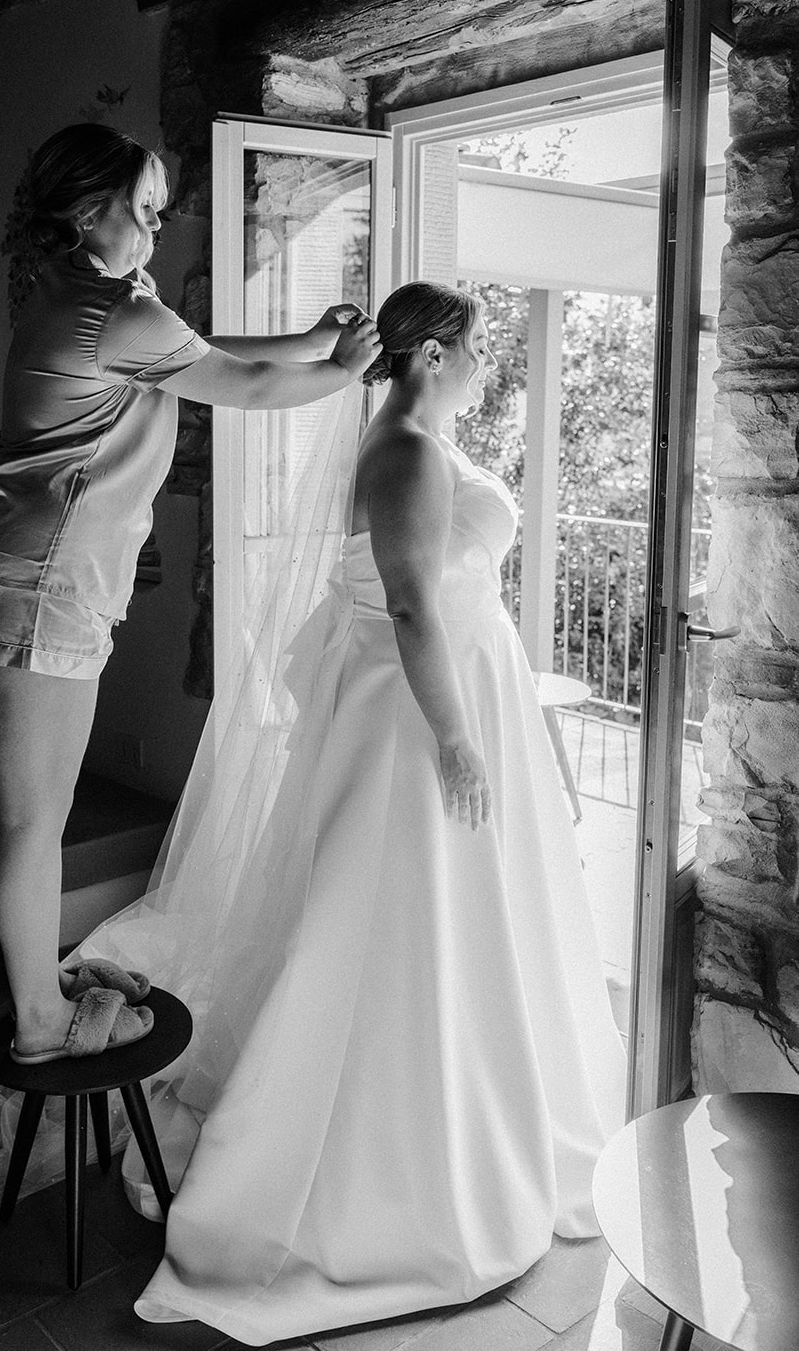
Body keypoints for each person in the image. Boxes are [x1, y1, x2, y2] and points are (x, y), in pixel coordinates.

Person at [70, 280, 627, 1345]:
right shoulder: (408, 449)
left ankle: (460, 1110)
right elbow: (412, 602)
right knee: (401, 917)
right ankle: (382, 1172)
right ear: (428, 354)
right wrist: (457, 740)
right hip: (417, 716)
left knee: (442, 919)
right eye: (472, 351)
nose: (482, 368)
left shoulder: (401, 435)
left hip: (431, 694)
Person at [0, 122, 381, 1064]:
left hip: (31, 569)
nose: (154, 228)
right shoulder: (111, 312)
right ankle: (39, 1023)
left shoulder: (84, 293)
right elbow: (244, 385)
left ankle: (35, 986)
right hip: (41, 583)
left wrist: (310, 337)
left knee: (30, 813)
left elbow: (195, 347)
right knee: (33, 817)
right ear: (86, 208)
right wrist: (339, 372)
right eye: (143, 209)